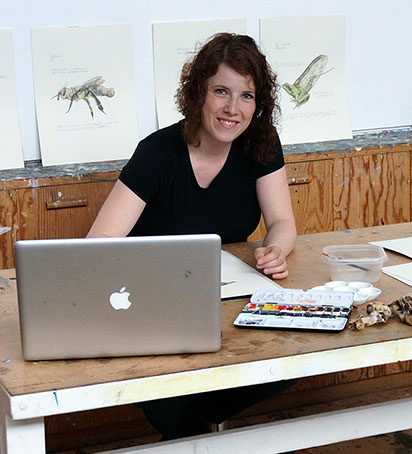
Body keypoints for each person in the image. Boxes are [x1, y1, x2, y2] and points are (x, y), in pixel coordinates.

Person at [87, 33, 298, 439]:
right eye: (221, 91)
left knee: (292, 362)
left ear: (259, 103)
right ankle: (196, 429)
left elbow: (282, 222)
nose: (232, 109)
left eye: (246, 96)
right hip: (152, 307)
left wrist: (276, 249)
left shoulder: (261, 144)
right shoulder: (157, 153)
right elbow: (99, 244)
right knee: (170, 405)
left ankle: (200, 421)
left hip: (228, 304)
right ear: (198, 90)